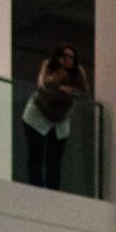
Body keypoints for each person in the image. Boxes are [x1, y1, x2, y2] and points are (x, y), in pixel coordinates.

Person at [22, 44, 89, 190]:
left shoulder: (78, 72)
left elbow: (83, 93)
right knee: (36, 155)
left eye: (71, 57)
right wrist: (59, 78)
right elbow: (43, 86)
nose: (68, 60)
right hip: (38, 114)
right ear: (58, 57)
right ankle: (36, 187)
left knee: (54, 158)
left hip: (60, 119)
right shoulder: (48, 66)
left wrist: (70, 91)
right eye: (64, 56)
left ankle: (53, 189)